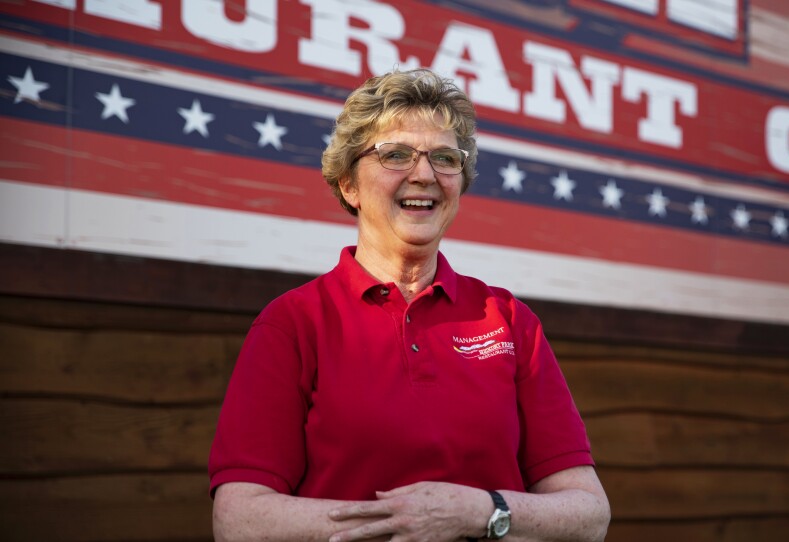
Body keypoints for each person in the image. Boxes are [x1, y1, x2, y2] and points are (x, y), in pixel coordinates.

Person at [209, 68, 610, 542]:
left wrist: (481, 511)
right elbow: (239, 520)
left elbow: (589, 513)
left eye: (445, 158)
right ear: (349, 186)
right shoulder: (293, 323)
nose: (424, 175)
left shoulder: (507, 320)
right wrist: (403, 524)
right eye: (395, 155)